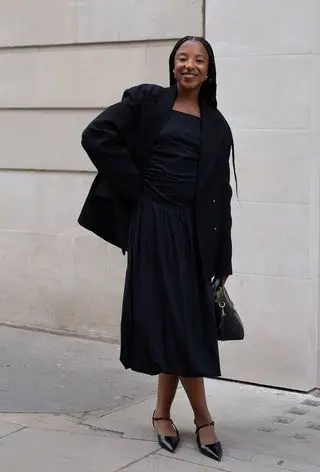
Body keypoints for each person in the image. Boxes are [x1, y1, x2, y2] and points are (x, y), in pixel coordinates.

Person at [79, 36, 235, 463]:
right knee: (181, 322)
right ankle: (204, 419)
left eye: (199, 59)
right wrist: (137, 188)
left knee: (179, 319)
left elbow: (221, 192)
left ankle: (162, 413)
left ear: (209, 70)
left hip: (195, 232)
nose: (190, 65)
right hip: (153, 225)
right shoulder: (147, 102)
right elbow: (96, 135)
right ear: (172, 67)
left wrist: (224, 258)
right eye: (182, 58)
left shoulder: (216, 124)